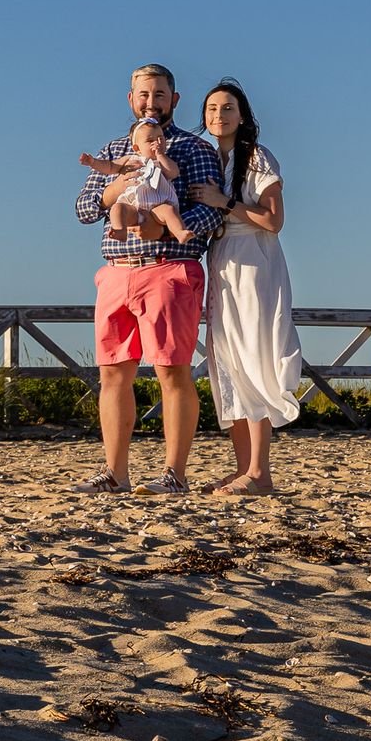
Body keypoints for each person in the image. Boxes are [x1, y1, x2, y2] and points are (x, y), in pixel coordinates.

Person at [70, 64, 226, 495]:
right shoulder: (115, 148)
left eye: (160, 94)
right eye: (143, 94)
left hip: (169, 270)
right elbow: (84, 210)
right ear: (130, 99)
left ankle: (174, 474)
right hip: (118, 272)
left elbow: (212, 212)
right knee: (113, 375)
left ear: (174, 100)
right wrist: (113, 188)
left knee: (172, 372)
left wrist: (163, 228)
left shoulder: (193, 151)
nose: (151, 102)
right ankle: (115, 473)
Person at [193, 78, 303, 495]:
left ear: (242, 116)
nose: (218, 116)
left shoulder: (256, 157)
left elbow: (274, 220)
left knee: (254, 358)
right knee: (228, 364)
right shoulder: (205, 159)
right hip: (220, 262)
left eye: (227, 108)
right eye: (212, 109)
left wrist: (226, 204)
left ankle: (260, 472)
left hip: (255, 262)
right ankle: (244, 469)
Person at [78, 116, 192, 243]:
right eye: (151, 140)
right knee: (117, 209)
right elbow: (110, 166)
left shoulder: (161, 161)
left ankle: (179, 232)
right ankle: (120, 231)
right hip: (133, 206)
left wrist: (161, 156)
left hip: (158, 205)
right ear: (137, 148)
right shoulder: (130, 159)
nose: (157, 143)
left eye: (161, 138)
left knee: (169, 211)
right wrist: (93, 162)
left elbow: (173, 173)